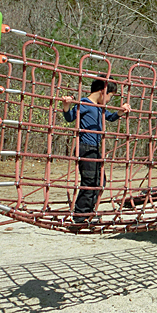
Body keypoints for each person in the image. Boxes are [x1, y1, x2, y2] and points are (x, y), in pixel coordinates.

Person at [62, 78, 131, 223]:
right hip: (85, 147)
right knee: (89, 181)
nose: (109, 100)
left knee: (100, 181)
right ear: (102, 92)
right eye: (110, 96)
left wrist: (120, 111)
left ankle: (88, 211)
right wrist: (66, 105)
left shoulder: (99, 107)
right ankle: (80, 216)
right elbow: (70, 117)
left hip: (94, 148)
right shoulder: (85, 103)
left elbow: (110, 118)